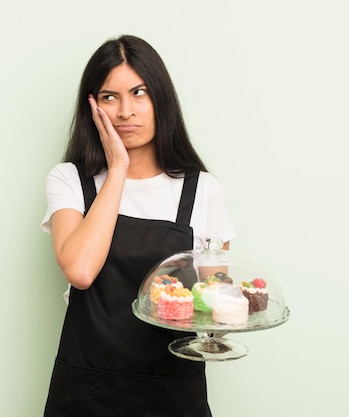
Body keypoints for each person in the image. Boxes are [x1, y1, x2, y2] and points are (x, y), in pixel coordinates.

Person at [41, 35, 236, 416]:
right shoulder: (69, 180)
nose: (125, 111)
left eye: (139, 92)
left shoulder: (203, 190)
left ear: (161, 99)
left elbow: (216, 308)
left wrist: (228, 316)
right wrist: (117, 170)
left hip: (173, 391)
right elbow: (80, 271)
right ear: (93, 106)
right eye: (110, 97)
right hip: (87, 389)